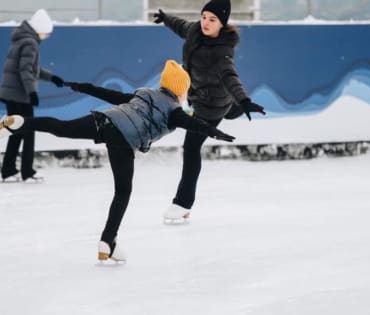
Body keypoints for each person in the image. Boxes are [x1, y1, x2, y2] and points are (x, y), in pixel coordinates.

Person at [0, 60, 235, 262]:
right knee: (122, 192)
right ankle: (107, 242)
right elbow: (195, 124)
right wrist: (214, 132)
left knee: (61, 128)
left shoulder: (143, 94)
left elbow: (110, 95)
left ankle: (20, 123)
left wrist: (83, 87)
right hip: (123, 140)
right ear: (179, 90)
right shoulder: (175, 111)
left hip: (105, 121)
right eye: (186, 91)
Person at [153, 0, 266, 220]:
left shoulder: (222, 53)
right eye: (204, 16)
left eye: (212, 20)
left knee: (191, 147)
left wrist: (244, 100)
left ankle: (183, 204)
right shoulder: (196, 31)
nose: (205, 22)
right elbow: (182, 26)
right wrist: (165, 18)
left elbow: (230, 77)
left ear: (222, 24)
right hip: (200, 98)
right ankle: (234, 109)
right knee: (228, 110)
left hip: (212, 106)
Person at [0, 9, 65, 183]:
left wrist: (51, 78)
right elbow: (25, 70)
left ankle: (7, 171)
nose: (47, 35)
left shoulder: (21, 39)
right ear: (40, 28)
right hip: (20, 95)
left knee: (16, 131)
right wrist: (32, 92)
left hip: (11, 93)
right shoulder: (30, 43)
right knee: (28, 131)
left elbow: (31, 69)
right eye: (47, 32)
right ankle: (27, 172)